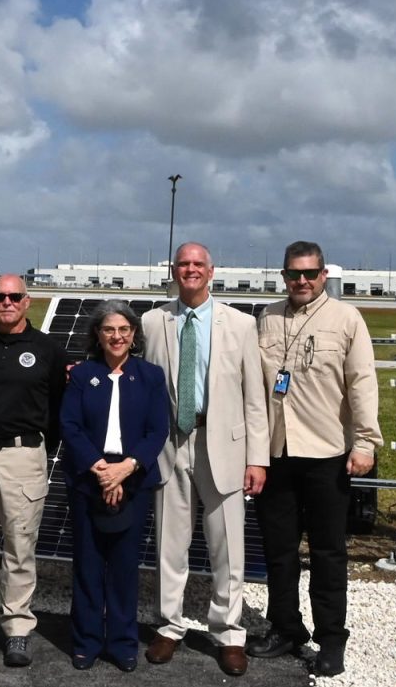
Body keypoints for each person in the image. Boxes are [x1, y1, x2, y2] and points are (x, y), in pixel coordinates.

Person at [249, 241, 381, 678]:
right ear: (283, 276)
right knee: (279, 550)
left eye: (309, 273)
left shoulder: (346, 319)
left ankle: (330, 638)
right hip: (276, 451)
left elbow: (362, 381)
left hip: (327, 452)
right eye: (292, 274)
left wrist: (365, 442)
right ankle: (285, 626)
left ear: (323, 275)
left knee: (328, 551)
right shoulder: (266, 319)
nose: (300, 281)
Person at [141, 241, 269, 677]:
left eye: (198, 264)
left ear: (211, 272)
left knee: (227, 546)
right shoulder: (152, 321)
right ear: (173, 271)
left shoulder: (240, 324)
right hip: (170, 444)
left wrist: (258, 459)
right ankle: (169, 625)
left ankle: (229, 632)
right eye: (183, 264)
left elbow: (256, 398)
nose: (190, 270)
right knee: (169, 544)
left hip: (223, 444)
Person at [0, 274, 72, 667]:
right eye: (0, 297)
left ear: (27, 301)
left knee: (20, 547)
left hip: (24, 456)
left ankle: (17, 626)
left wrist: (40, 451)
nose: (7, 302)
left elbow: (57, 405)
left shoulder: (47, 350)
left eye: (14, 296)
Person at [59, 300, 169, 673]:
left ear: (134, 335)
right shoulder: (81, 375)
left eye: (124, 330)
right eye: (109, 329)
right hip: (88, 478)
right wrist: (101, 469)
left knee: (124, 567)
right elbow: (70, 426)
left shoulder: (151, 376)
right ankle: (86, 641)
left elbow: (158, 431)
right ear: (98, 335)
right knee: (88, 564)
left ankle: (123, 642)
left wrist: (125, 470)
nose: (117, 336)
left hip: (134, 479)